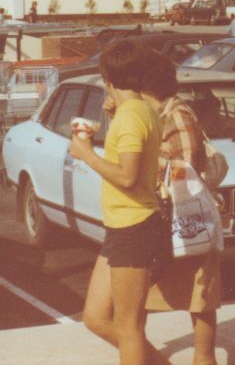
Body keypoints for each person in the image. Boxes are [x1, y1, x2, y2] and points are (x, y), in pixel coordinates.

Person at [70, 39, 168, 364]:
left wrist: (85, 153)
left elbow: (127, 177)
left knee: (129, 327)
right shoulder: (141, 110)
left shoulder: (131, 117)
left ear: (107, 78)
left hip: (133, 228)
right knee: (96, 318)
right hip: (122, 227)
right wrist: (114, 116)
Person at [141, 53, 222, 365]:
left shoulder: (177, 115)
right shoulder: (159, 113)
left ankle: (204, 359)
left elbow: (187, 169)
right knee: (144, 294)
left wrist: (151, 163)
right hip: (166, 217)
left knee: (199, 294)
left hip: (185, 216)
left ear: (148, 88)